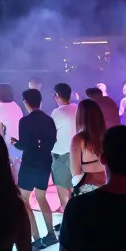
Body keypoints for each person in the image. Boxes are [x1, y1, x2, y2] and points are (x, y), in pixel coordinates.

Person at [12, 88, 57, 249]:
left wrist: (15, 143)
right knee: (41, 197)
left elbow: (24, 144)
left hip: (30, 163)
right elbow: (52, 141)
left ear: (25, 103)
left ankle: (36, 237)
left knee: (24, 200)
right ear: (40, 102)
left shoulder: (24, 121)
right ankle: (51, 233)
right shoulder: (49, 120)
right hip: (44, 162)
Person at [49, 82, 78, 211]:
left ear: (56, 95)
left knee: (63, 192)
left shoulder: (56, 113)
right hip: (77, 154)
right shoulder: (77, 108)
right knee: (74, 190)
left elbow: (50, 134)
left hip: (61, 156)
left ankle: (67, 219)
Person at [70, 99, 107, 194]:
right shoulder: (109, 136)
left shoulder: (78, 140)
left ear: (80, 117)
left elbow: (75, 174)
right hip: (108, 186)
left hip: (88, 190)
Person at [0, 83, 24, 180]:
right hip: (20, 141)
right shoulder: (16, 106)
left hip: (9, 142)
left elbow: (0, 130)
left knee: (10, 168)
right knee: (17, 166)